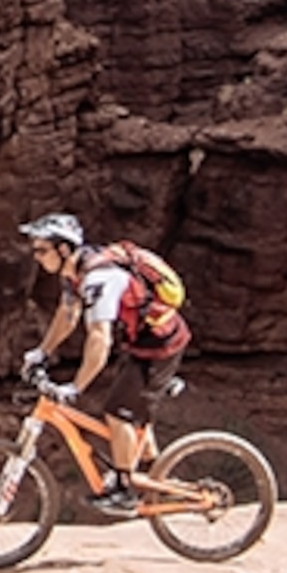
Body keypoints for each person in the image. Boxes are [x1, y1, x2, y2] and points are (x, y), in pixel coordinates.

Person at [17, 212, 189, 516]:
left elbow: (99, 339)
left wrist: (75, 387)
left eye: (41, 250)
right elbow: (67, 315)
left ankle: (124, 489)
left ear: (63, 249)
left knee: (117, 412)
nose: (36, 257)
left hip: (160, 345)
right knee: (133, 411)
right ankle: (154, 476)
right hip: (140, 343)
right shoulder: (75, 270)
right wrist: (41, 352)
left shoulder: (99, 279)